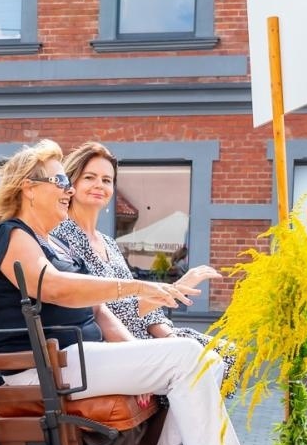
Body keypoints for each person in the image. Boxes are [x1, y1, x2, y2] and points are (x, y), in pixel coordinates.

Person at [0, 139, 283, 445]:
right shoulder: (12, 234)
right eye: (61, 180)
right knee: (190, 358)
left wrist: (138, 359)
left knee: (201, 358)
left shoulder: (53, 242)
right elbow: (53, 286)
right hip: (45, 365)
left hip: (76, 360)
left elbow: (100, 312)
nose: (68, 190)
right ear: (29, 186)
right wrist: (137, 287)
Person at [49, 141, 234, 385]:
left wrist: (166, 333)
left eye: (106, 180)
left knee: (227, 354)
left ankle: (181, 422)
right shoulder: (61, 237)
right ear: (71, 183)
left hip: (140, 336)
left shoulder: (108, 243)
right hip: (106, 344)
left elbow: (138, 307)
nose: (99, 185)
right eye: (89, 177)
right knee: (201, 363)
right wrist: (171, 291)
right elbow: (102, 310)